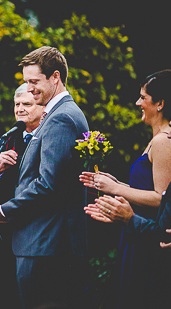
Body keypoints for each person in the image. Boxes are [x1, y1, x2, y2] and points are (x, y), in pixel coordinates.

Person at [0, 46, 89, 309]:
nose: (29, 89)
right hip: (42, 241)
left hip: (47, 243)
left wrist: (5, 209)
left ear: (55, 77)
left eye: (34, 82)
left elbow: (49, 184)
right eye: (27, 82)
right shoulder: (56, 114)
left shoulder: (62, 118)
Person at [79, 70, 171, 308]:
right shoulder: (158, 138)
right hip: (135, 229)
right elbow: (151, 189)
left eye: (143, 97)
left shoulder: (164, 141)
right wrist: (118, 185)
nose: (138, 103)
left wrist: (115, 188)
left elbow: (161, 200)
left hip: (145, 237)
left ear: (160, 103)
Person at [0, 85, 45, 309]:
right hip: (3, 234)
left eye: (27, 104)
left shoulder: (48, 137)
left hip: (34, 230)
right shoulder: (8, 138)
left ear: (43, 107)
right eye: (17, 104)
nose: (20, 109)